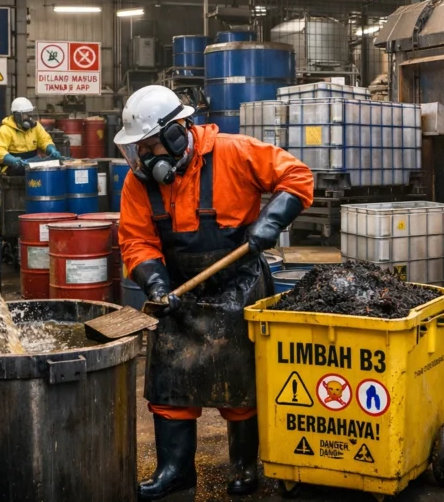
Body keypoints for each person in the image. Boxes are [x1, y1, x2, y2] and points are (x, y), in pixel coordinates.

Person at [116, 85, 313, 499]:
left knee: (240, 386)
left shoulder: (235, 151)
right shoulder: (139, 185)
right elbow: (136, 241)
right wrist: (155, 283)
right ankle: (175, 470)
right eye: (139, 150)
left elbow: (297, 176)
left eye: (151, 147)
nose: (145, 160)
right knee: (170, 385)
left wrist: (271, 222)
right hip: (178, 291)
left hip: (238, 285)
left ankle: (243, 467)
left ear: (176, 133)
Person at [0, 97, 62, 173]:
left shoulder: (36, 127)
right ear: (17, 116)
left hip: (32, 163)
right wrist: (11, 159)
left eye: (30, 114)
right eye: (26, 115)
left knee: (57, 164)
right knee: (24, 170)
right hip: (12, 166)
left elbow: (45, 140)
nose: (29, 118)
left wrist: (51, 149)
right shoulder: (5, 130)